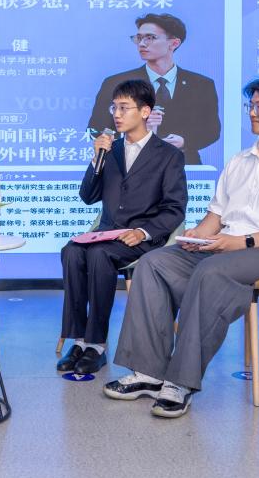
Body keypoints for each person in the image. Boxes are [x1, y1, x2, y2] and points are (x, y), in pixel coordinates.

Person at [106, 76, 259, 418]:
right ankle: (148, 372)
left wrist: (243, 242)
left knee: (211, 273)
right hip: (225, 246)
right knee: (153, 262)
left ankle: (180, 382)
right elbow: (216, 216)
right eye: (251, 105)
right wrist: (197, 235)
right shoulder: (239, 161)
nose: (252, 112)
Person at [58, 80, 187, 375]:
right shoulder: (111, 150)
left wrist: (143, 232)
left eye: (124, 108)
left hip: (142, 237)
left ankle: (97, 344)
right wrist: (97, 159)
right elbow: (88, 196)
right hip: (106, 232)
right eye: (114, 107)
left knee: (98, 255)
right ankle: (79, 340)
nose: (116, 114)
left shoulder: (168, 155)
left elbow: (175, 208)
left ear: (145, 112)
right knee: (71, 252)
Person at [88, 13, 221, 165]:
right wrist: (136, 135)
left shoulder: (201, 84)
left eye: (150, 38)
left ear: (174, 43)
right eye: (139, 38)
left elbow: (212, 130)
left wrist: (185, 141)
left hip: (183, 165)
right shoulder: (116, 83)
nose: (141, 44)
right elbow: (96, 128)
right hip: (130, 165)